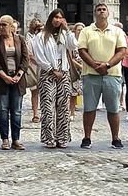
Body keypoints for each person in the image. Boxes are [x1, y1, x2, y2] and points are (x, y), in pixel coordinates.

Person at [77, 3, 127, 150]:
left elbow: (121, 51)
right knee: (89, 108)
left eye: (104, 9)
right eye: (98, 10)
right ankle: (87, 137)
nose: (101, 12)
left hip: (112, 74)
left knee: (113, 108)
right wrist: (94, 65)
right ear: (94, 13)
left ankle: (115, 138)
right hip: (91, 74)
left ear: (108, 13)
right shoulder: (86, 31)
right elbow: (82, 50)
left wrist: (107, 65)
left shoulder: (117, 31)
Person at [32, 9, 77, 149]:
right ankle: (49, 137)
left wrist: (68, 30)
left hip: (63, 70)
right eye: (56, 17)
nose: (58, 20)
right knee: (48, 106)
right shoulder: (41, 36)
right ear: (51, 18)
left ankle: (62, 137)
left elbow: (74, 46)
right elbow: (39, 56)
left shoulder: (64, 34)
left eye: (61, 17)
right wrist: (51, 69)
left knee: (63, 105)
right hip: (48, 72)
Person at [0, 15, 28, 150]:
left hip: (18, 80)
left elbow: (25, 59)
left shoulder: (20, 40)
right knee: (2, 110)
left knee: (17, 111)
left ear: (11, 26)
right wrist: (4, 76)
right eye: (0, 24)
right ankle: (5, 139)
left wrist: (19, 74)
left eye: (4, 24)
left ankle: (16, 139)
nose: (1, 27)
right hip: (2, 80)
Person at [25, 18, 43, 123]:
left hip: (45, 67)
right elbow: (29, 54)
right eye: (39, 29)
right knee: (35, 92)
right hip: (35, 67)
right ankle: (35, 113)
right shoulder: (31, 39)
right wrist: (40, 62)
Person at [69, 22, 85, 119]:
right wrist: (79, 66)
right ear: (75, 30)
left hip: (84, 69)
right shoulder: (72, 43)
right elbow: (70, 58)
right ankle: (70, 111)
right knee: (72, 91)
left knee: (77, 92)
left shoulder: (86, 41)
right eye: (78, 29)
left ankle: (73, 110)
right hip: (74, 69)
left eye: (82, 29)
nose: (80, 31)